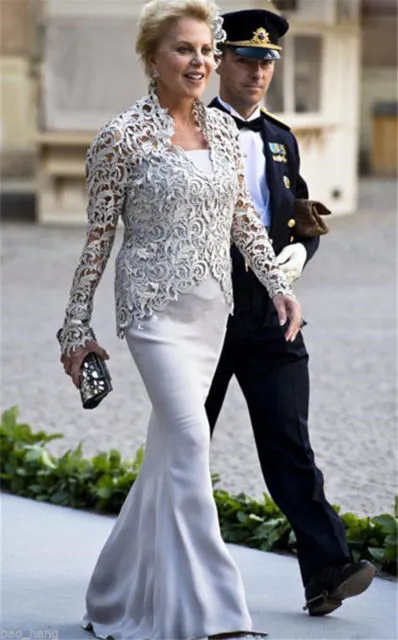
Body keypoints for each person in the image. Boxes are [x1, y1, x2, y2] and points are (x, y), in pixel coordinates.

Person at [58, 1, 302, 638]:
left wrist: (278, 284)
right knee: (192, 441)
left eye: (206, 50)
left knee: (169, 453)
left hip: (210, 310)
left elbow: (244, 218)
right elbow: (97, 240)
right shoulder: (121, 137)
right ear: (151, 57)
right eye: (184, 50)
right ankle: (218, 614)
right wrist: (76, 329)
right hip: (151, 312)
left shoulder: (223, 132)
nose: (200, 62)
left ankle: (110, 598)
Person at [205, 8, 375, 617]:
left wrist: (299, 256)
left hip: (273, 312)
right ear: (220, 60)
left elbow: (300, 215)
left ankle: (328, 571)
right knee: (186, 444)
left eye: (267, 62)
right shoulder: (189, 128)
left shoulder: (280, 137)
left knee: (289, 442)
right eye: (246, 61)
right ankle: (173, 565)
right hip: (205, 311)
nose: (257, 73)